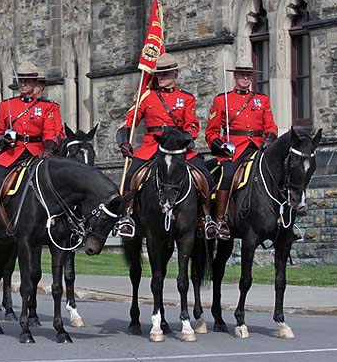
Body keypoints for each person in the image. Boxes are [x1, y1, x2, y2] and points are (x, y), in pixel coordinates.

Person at [115, 53, 215, 238]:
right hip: (151, 146)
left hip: (177, 147)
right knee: (131, 177)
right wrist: (124, 141)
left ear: (175, 75)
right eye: (159, 74)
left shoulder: (186, 98)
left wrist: (185, 139)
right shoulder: (146, 97)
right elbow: (129, 121)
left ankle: (205, 218)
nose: (161, 77)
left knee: (205, 176)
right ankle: (127, 217)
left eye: (165, 74)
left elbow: (192, 125)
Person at [0, 62, 58, 248]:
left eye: (27, 80)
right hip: (12, 152)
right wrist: (2, 140)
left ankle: (59, 223)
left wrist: (49, 149)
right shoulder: (7, 105)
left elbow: (50, 132)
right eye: (21, 80)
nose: (23, 83)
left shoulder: (47, 107)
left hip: (36, 153)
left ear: (35, 82)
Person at [205, 63, 278, 239]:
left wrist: (269, 138)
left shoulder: (262, 99)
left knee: (280, 173)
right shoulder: (222, 100)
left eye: (248, 75)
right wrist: (219, 145)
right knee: (228, 174)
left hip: (259, 146)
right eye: (241, 75)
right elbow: (211, 131)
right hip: (235, 148)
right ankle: (220, 219)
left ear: (252, 77)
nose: (245, 78)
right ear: (235, 76)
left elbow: (271, 125)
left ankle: (285, 220)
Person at [32, 74, 65, 149]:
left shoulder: (52, 106)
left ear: (41, 86)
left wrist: (52, 144)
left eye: (34, 84)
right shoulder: (20, 104)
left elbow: (58, 129)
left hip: (45, 146)